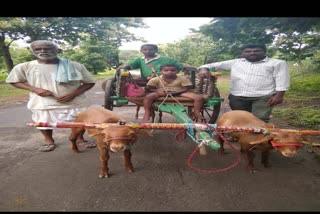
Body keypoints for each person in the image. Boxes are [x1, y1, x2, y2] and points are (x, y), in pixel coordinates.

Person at [6, 40, 96, 152]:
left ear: (57, 50)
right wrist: (35, 89)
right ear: (32, 51)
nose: (43, 51)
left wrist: (74, 93)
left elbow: (90, 82)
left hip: (75, 102)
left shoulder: (75, 66)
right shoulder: (24, 67)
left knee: (79, 122)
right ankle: (49, 141)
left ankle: (80, 139)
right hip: (43, 103)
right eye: (38, 49)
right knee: (43, 122)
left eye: (48, 48)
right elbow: (14, 81)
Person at [198, 43, 290, 123]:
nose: (252, 53)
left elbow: (282, 79)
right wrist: (203, 69)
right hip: (238, 96)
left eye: (256, 51)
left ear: (264, 52)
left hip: (263, 96)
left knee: (260, 119)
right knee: (240, 118)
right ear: (242, 53)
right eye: (248, 51)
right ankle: (240, 135)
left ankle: (257, 140)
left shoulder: (277, 63)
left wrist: (279, 96)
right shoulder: (236, 62)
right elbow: (208, 65)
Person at [116, 44, 197, 85]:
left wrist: (191, 67)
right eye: (145, 50)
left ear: (156, 50)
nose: (148, 51)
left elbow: (180, 65)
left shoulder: (165, 59)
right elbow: (130, 65)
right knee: (128, 82)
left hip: (164, 79)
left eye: (151, 50)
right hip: (146, 79)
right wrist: (124, 66)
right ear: (141, 51)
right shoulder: (139, 60)